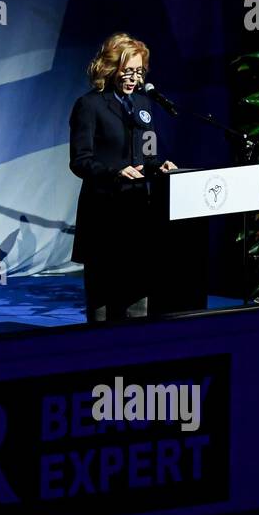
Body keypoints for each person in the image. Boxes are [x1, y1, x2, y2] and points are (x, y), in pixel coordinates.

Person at [69, 33, 177, 321]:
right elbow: (80, 161)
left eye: (139, 72)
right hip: (103, 212)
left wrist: (160, 166)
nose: (133, 78)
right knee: (103, 298)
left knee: (137, 293)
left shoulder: (143, 106)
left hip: (138, 212)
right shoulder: (89, 105)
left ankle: (134, 356)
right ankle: (102, 359)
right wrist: (114, 173)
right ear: (111, 68)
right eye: (127, 71)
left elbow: (148, 155)